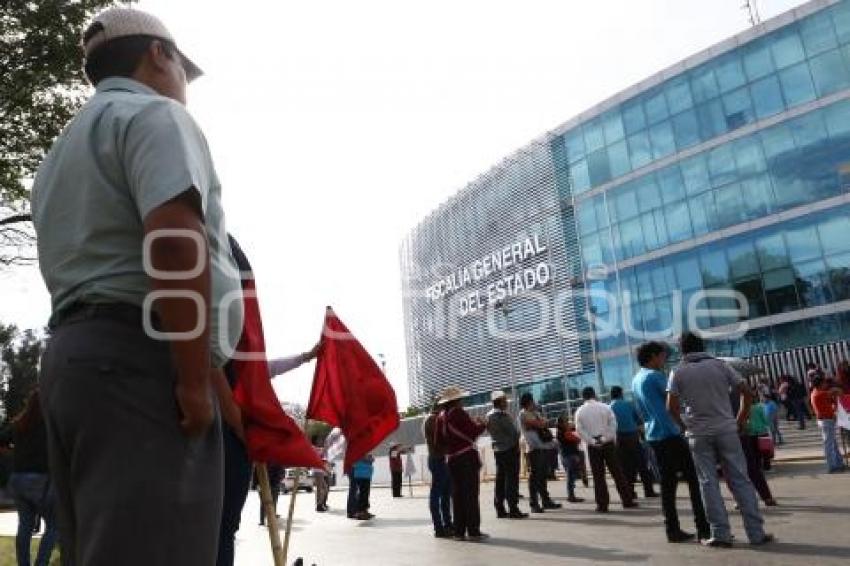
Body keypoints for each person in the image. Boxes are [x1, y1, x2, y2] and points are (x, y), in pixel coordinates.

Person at [31, 8, 240, 565]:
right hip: (144, 363)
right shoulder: (155, 117)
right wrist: (194, 381)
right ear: (159, 55)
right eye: (181, 70)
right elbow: (174, 242)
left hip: (77, 358)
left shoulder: (59, 154)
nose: (183, 89)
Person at [217, 235, 320, 566]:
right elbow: (207, 362)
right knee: (215, 530)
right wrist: (235, 418)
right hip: (217, 430)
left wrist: (306, 356)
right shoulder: (205, 320)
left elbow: (261, 367)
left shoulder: (240, 346)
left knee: (222, 530)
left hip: (233, 434)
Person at [667, 332, 773, 548]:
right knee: (740, 480)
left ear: (682, 350)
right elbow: (748, 393)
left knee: (708, 483)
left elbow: (671, 407)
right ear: (702, 346)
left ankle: (720, 534)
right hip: (727, 429)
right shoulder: (721, 366)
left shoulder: (677, 372)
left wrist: (685, 426)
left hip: (698, 434)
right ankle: (756, 533)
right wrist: (740, 419)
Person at [632, 341, 709, 543]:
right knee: (694, 478)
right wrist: (684, 426)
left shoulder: (636, 379)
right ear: (653, 356)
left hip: (653, 435)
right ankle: (703, 527)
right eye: (663, 355)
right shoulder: (656, 376)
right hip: (670, 433)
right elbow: (674, 401)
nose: (664, 359)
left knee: (668, 484)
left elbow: (641, 411)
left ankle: (672, 529)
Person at [0, 390, 58, 566]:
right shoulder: (50, 424)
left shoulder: (19, 423)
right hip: (41, 480)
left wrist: (13, 453)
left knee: (24, 526)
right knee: (55, 525)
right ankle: (41, 563)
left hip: (18, 479)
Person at [434, 386, 488, 542]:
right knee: (470, 495)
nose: (462, 401)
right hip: (466, 459)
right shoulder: (458, 413)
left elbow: (438, 442)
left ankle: (459, 531)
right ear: (456, 400)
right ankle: (473, 531)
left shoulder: (440, 417)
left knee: (456, 496)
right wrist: (482, 424)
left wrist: (451, 446)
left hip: (451, 460)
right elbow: (473, 432)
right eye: (460, 399)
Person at [575, 387, 637, 513]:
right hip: (608, 443)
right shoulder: (605, 407)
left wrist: (593, 441)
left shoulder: (579, 411)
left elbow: (580, 430)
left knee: (598, 477)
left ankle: (602, 505)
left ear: (583, 397)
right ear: (594, 394)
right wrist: (604, 439)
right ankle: (627, 500)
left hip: (593, 446)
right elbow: (613, 425)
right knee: (617, 473)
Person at [609, 386, 658, 499]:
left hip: (618, 439)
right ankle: (648, 491)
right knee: (641, 464)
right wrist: (643, 436)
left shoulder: (609, 407)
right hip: (632, 437)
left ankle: (630, 492)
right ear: (621, 394)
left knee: (626, 467)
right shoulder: (628, 404)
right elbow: (639, 421)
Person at [485, 391, 527, 519]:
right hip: (509, 449)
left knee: (500, 480)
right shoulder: (502, 416)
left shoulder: (489, 415)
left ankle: (500, 508)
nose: (506, 402)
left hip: (498, 450)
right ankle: (513, 508)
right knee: (511, 480)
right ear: (499, 401)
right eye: (504, 400)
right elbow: (514, 433)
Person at [518, 393, 562, 514]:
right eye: (532, 401)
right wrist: (540, 422)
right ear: (528, 402)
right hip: (533, 448)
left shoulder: (535, 413)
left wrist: (540, 421)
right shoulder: (523, 413)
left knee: (542, 476)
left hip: (543, 446)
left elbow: (543, 422)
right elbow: (539, 424)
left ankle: (546, 501)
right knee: (534, 477)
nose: (534, 403)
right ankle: (534, 503)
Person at [732, 389, 777, 505]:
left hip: (741, 434)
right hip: (750, 433)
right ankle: (766, 497)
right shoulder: (757, 406)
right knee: (754, 465)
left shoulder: (724, 395)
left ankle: (740, 500)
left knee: (735, 470)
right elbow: (764, 420)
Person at [422, 401, 454, 537]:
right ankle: (438, 527)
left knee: (446, 494)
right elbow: (440, 440)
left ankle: (447, 524)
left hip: (441, 459)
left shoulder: (434, 418)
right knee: (437, 494)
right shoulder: (432, 419)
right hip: (437, 459)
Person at [810, 375, 847, 473]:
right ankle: (832, 466)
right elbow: (837, 391)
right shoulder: (819, 393)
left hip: (826, 420)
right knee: (829, 445)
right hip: (826, 421)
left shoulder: (815, 392)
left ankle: (839, 464)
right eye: (824, 383)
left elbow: (832, 398)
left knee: (832, 444)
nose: (826, 384)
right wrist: (836, 386)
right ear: (820, 384)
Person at [555, 415, 585, 503]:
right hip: (570, 455)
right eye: (566, 421)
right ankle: (571, 496)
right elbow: (576, 439)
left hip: (566, 455)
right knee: (571, 477)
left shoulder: (561, 431)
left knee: (571, 476)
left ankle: (571, 495)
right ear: (562, 423)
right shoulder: (564, 432)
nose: (567, 423)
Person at [348, 455, 375, 520]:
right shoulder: (356, 452)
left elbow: (369, 459)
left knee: (365, 493)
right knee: (360, 493)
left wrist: (371, 459)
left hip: (367, 472)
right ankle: (359, 512)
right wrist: (364, 458)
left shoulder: (365, 451)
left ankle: (364, 510)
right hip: (359, 472)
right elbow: (353, 462)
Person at [312, 435, 330, 513]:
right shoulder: (313, 448)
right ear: (315, 440)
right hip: (317, 470)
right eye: (319, 439)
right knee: (320, 488)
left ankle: (321, 503)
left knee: (325, 488)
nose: (320, 441)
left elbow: (324, 457)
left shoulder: (320, 449)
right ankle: (319, 505)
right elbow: (317, 456)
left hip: (321, 471)